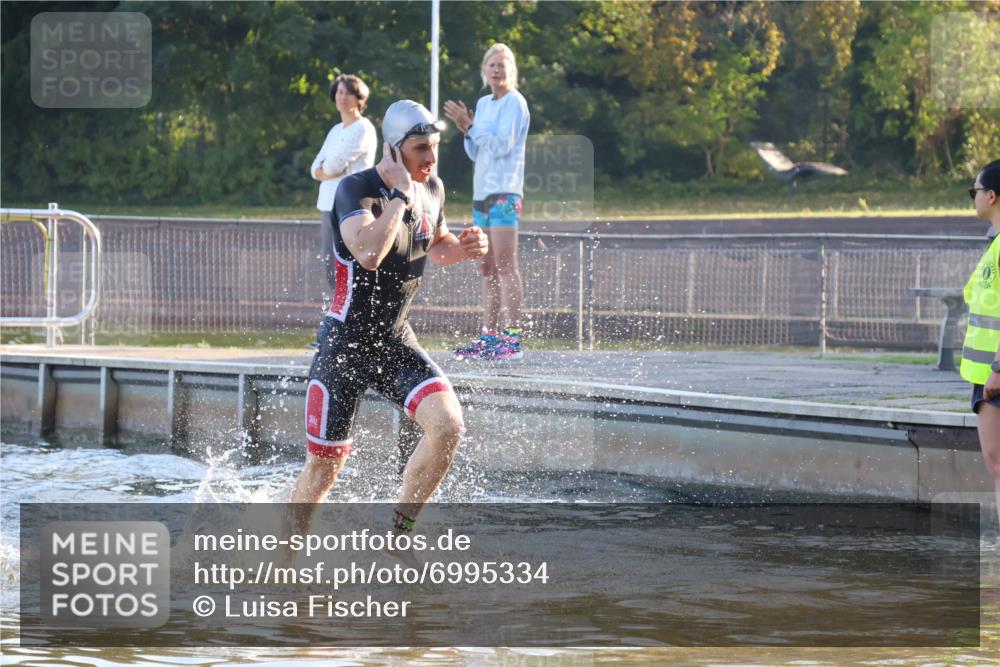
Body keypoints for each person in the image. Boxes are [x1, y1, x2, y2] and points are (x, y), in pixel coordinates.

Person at [290, 100, 489, 539]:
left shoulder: (432, 187)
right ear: (394, 150)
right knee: (323, 471)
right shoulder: (355, 190)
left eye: (435, 147)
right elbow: (368, 253)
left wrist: (465, 247)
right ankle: (283, 559)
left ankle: (398, 536)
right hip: (344, 346)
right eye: (421, 149)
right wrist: (399, 195)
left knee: (449, 427)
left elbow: (435, 243)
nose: (432, 159)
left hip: (395, 339)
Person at [444, 43, 530, 361]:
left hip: (505, 192)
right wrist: (467, 132)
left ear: (511, 70)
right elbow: (478, 151)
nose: (497, 69)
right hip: (481, 194)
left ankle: (513, 338)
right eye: (492, 65)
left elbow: (501, 146)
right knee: (486, 266)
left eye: (502, 65)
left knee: (507, 266)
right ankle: (488, 337)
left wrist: (470, 126)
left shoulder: (515, 103)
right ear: (484, 71)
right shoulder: (483, 102)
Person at [959, 158, 1000, 537]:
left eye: (974, 191)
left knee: (997, 462)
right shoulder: (995, 243)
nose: (972, 198)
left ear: (991, 195)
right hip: (987, 373)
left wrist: (997, 369)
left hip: (995, 375)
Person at [310, 74, 377, 301]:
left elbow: (334, 165)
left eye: (349, 93)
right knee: (332, 266)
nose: (343, 97)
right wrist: (325, 171)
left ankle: (355, 317)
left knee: (351, 266)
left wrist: (326, 170)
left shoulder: (363, 128)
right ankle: (338, 316)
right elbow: (316, 167)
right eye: (340, 92)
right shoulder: (336, 130)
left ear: (360, 98)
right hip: (328, 206)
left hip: (351, 207)